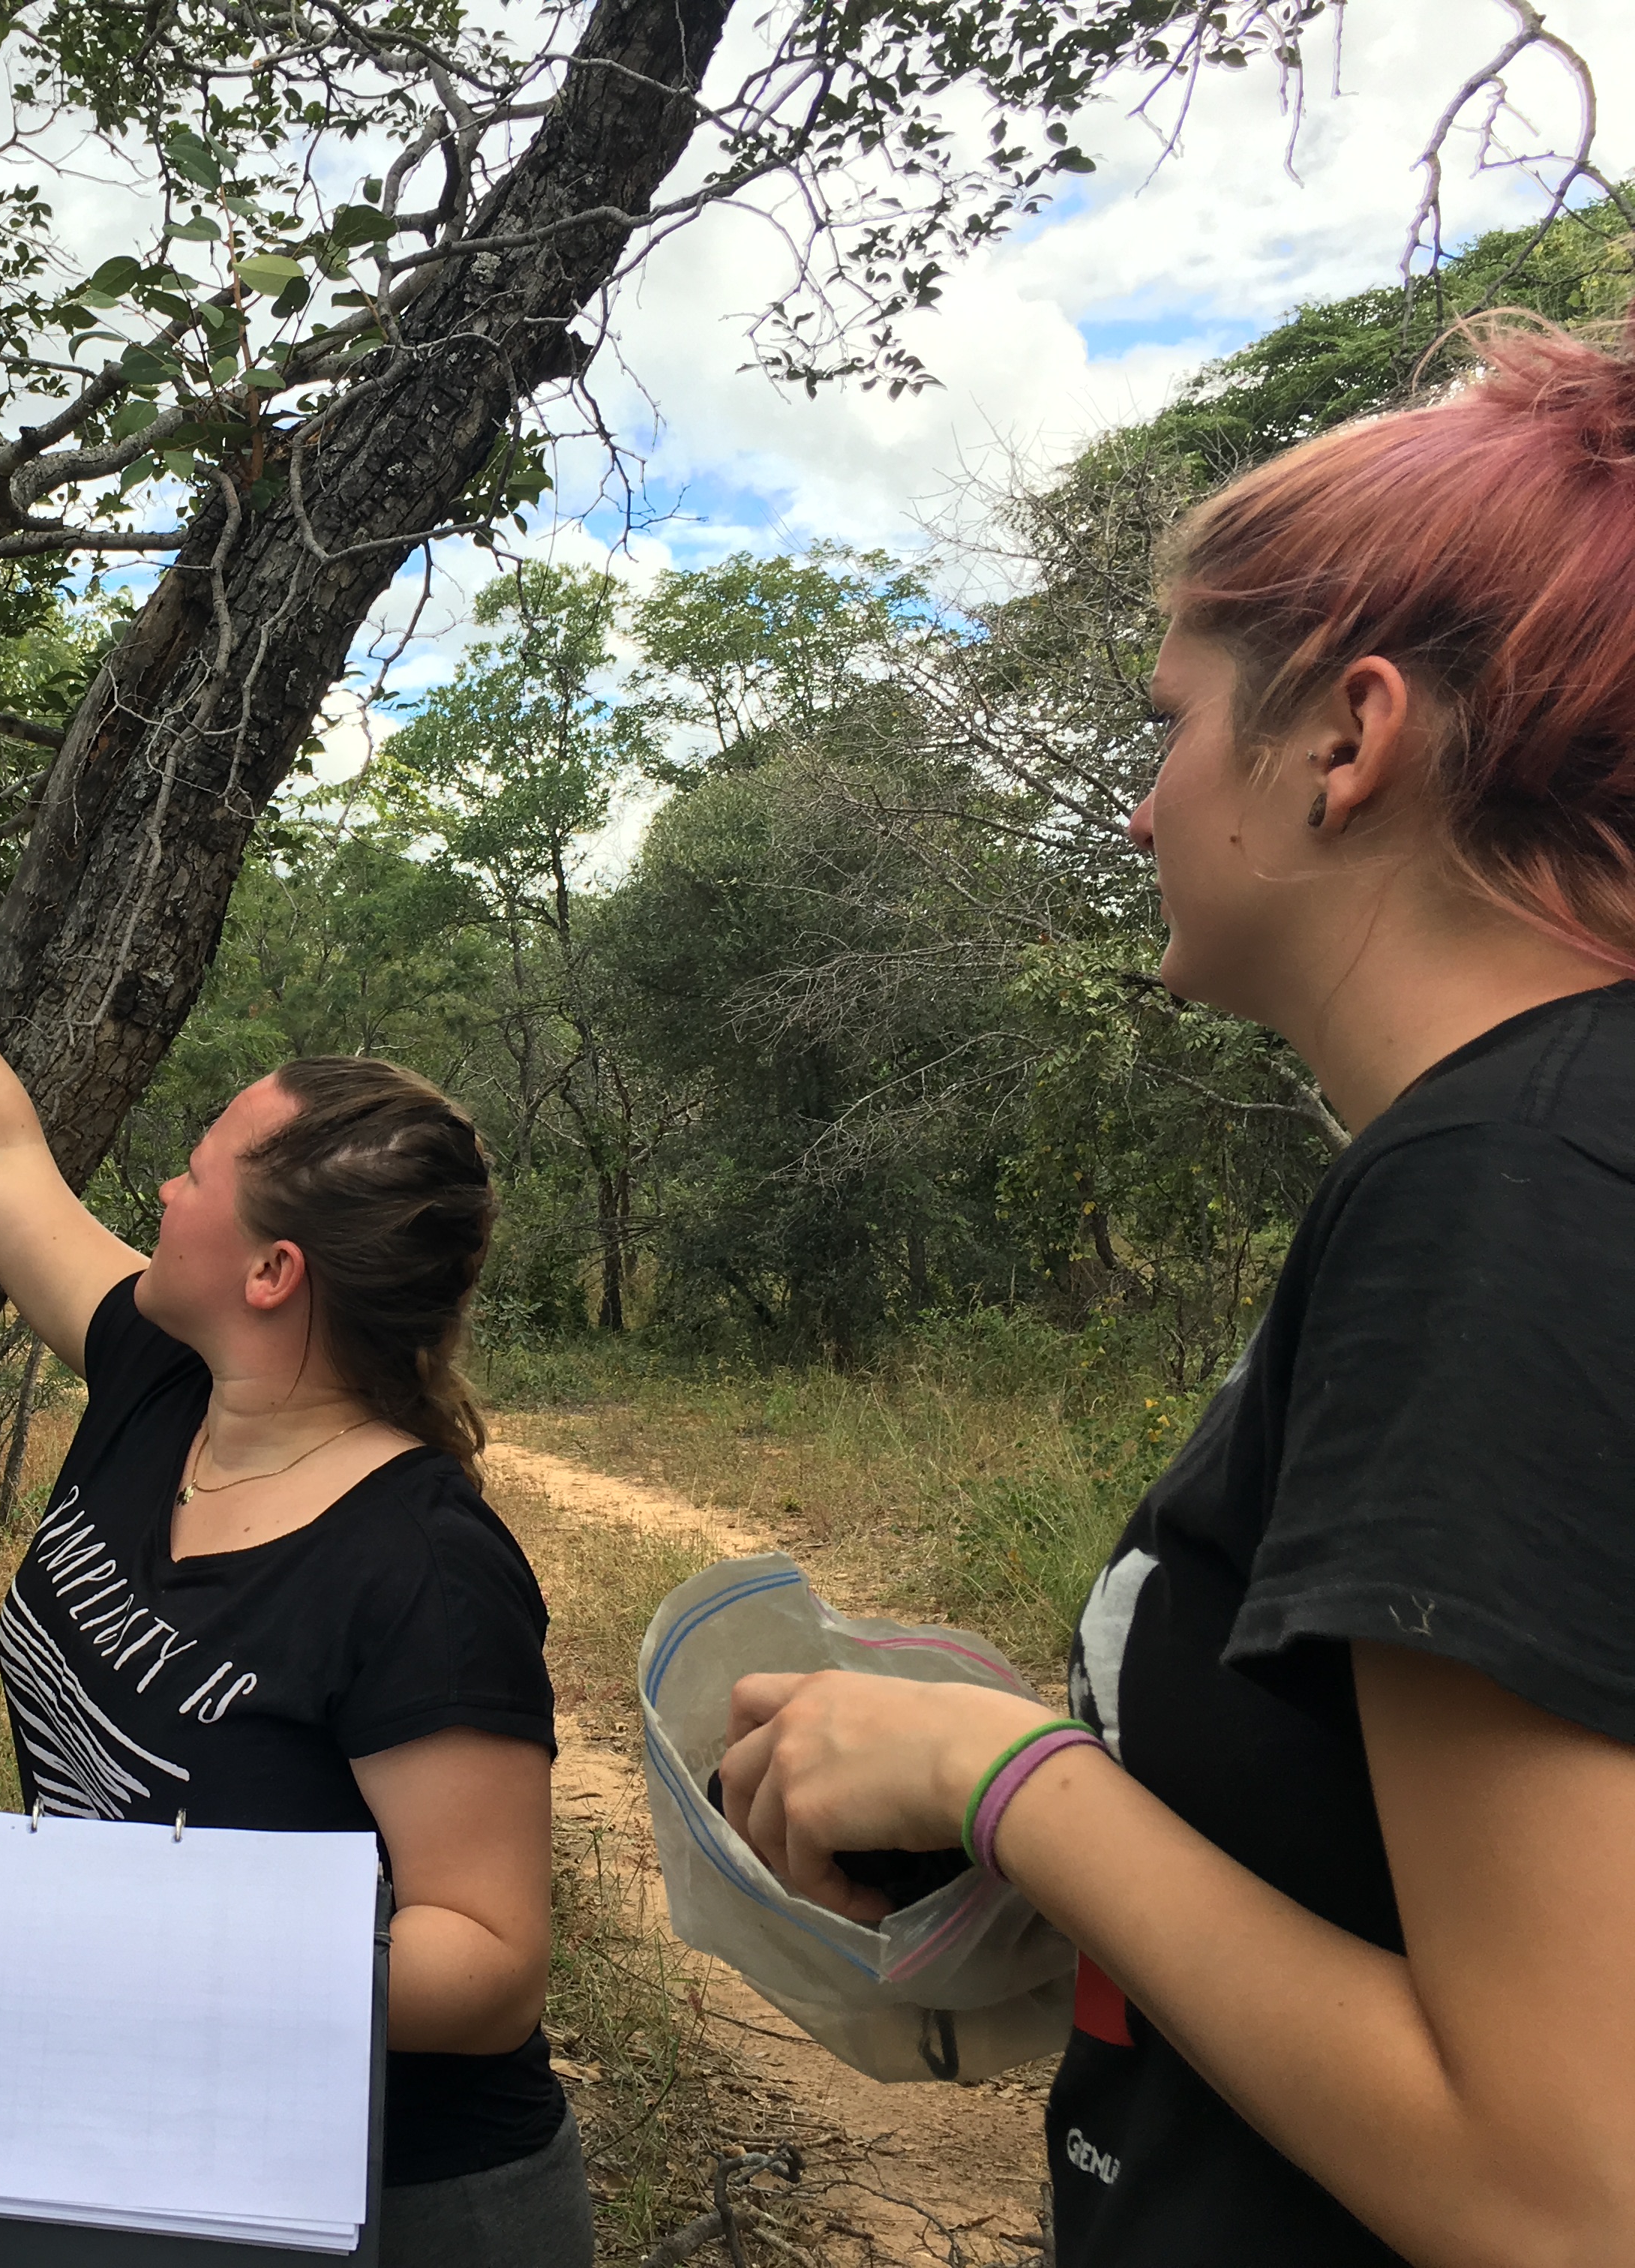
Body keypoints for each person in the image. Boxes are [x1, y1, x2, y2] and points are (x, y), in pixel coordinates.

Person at [708, 318, 1635, 2266]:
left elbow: (1560, 2189)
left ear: (1349, 740)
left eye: (1170, 724)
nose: (1139, 809)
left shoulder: (1504, 1185)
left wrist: (1006, 1777)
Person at [0, 789, 586, 2265]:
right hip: (173, 2136)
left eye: (197, 1170)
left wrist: (132, 1961)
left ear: (272, 1270)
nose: (161, 1186)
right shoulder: (163, 1380)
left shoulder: (421, 1570)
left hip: (402, 2201)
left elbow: (488, 1965)